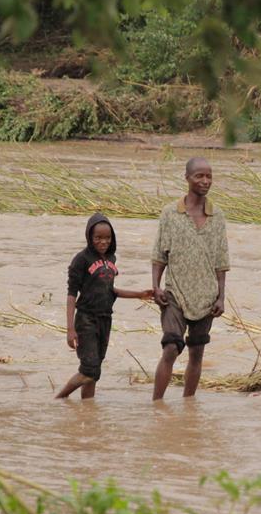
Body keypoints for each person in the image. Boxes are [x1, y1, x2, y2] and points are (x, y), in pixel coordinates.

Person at [151, 157, 229, 401]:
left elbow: (221, 261)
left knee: (197, 352)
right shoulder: (170, 214)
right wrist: (156, 287)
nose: (205, 181)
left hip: (206, 297)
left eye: (209, 176)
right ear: (187, 178)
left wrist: (221, 297)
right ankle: (157, 405)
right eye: (199, 176)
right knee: (171, 348)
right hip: (175, 293)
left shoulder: (217, 216)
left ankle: (188, 405)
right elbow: (158, 255)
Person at [56, 213, 152, 399]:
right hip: (86, 319)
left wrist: (140, 295)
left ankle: (87, 409)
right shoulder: (81, 260)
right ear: (90, 237)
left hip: (105, 319)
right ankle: (60, 399)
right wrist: (70, 329)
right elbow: (71, 295)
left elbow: (110, 290)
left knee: (95, 370)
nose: (103, 242)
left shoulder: (111, 259)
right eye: (98, 238)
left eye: (107, 238)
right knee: (90, 370)